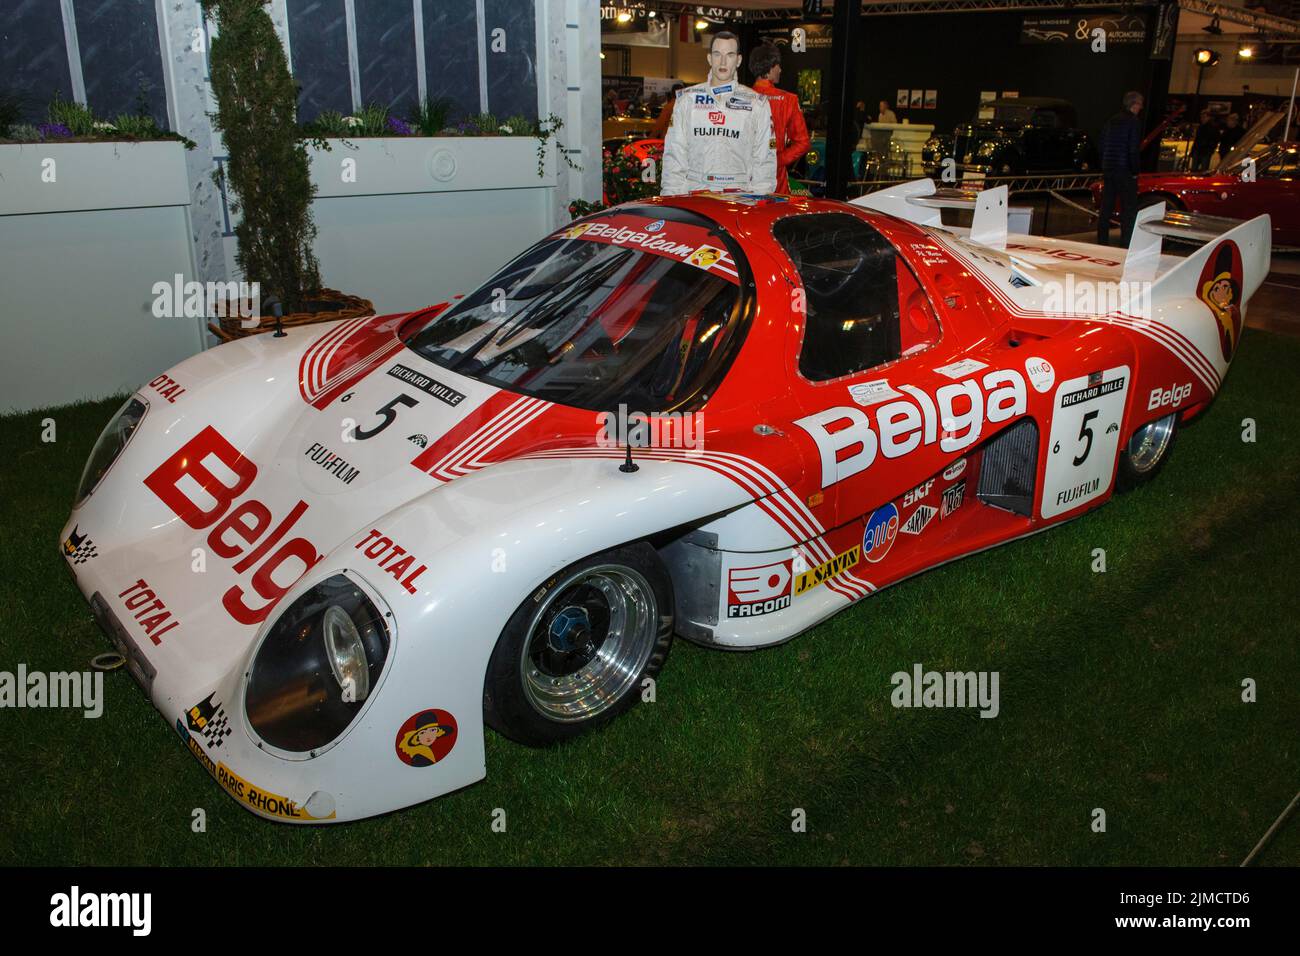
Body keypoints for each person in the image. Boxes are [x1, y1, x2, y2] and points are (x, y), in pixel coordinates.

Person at [661, 31, 777, 195]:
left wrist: (759, 201)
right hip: (695, 194)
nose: (723, 61)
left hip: (738, 197)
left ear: (738, 60)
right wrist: (670, 198)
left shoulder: (756, 103)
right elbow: (675, 154)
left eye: (729, 55)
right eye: (717, 54)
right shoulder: (687, 100)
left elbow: (765, 159)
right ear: (709, 58)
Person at [749, 42, 810, 194]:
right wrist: (777, 161)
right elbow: (803, 142)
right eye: (778, 65)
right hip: (776, 182)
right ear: (770, 67)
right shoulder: (788, 100)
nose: (780, 70)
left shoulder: (739, 98)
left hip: (745, 178)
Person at [1097, 90, 1144, 247]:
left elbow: (1102, 145)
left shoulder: (1111, 120)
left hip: (1109, 169)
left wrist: (1105, 165)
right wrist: (1135, 171)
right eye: (1140, 105)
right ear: (1135, 105)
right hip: (1125, 171)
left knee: (1106, 208)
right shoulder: (1134, 122)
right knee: (1128, 210)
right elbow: (1133, 149)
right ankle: (1125, 245)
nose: (1141, 108)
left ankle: (1102, 241)